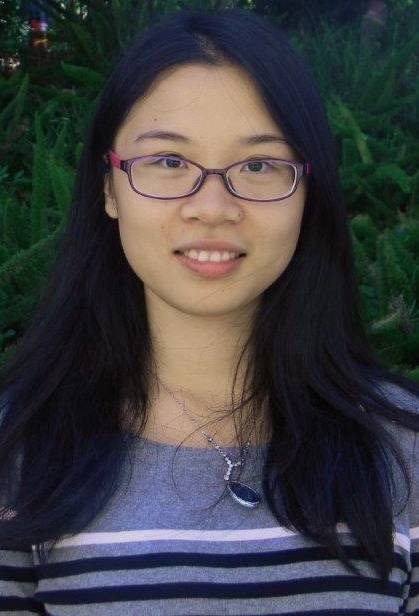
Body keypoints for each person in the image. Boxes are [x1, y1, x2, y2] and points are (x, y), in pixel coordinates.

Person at [0, 9, 418, 615]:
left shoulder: (404, 446)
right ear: (109, 187)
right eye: (170, 162)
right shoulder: (17, 450)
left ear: (308, 191)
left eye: (258, 165)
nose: (213, 207)